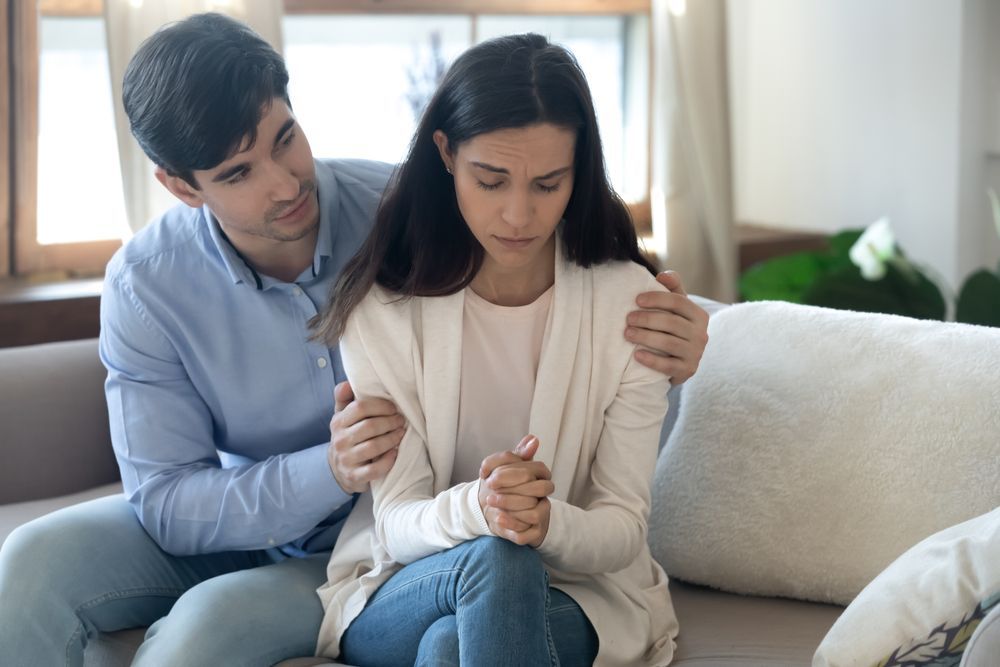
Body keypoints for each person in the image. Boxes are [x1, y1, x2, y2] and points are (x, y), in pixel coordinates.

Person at [0, 14, 707, 667]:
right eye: (238, 174)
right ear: (182, 187)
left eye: (285, 138)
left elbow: (573, 301)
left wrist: (686, 341)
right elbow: (164, 499)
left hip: (380, 540)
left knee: (205, 629)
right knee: (28, 560)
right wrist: (331, 470)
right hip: (270, 522)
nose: (285, 185)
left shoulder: (417, 210)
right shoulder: (146, 284)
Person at [312, 33, 682, 666]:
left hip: (579, 594)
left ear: (579, 170)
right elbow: (396, 520)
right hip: (410, 583)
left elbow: (623, 527)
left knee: (454, 642)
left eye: (547, 184)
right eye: (492, 181)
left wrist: (545, 523)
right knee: (495, 558)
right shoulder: (382, 311)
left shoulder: (630, 306)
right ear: (447, 155)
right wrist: (483, 512)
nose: (518, 215)